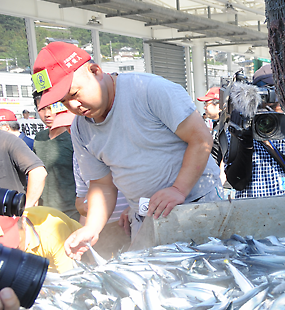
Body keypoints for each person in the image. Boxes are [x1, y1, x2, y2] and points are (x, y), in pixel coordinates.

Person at [31, 42, 221, 258]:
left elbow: (200, 139)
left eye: (74, 93)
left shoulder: (149, 90)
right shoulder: (81, 129)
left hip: (196, 205)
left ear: (95, 72)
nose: (74, 106)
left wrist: (178, 189)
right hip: (146, 214)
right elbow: (102, 184)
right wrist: (92, 228)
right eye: (64, 101)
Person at [220, 72, 285, 198]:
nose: (277, 98)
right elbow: (238, 183)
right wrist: (245, 142)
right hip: (256, 212)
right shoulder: (241, 127)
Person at [33, 95, 79, 220]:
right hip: (42, 213)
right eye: (42, 109)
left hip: (71, 214)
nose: (47, 114)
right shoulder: (39, 138)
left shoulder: (75, 137)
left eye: (51, 108)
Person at [0, 207, 82, 273]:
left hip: (78, 257)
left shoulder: (52, 234)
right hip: (40, 269)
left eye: (15, 245)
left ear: (23, 223)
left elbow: (70, 279)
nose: (11, 252)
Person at [0, 111, 47, 208]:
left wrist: (26, 206)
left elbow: (38, 172)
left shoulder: (8, 140)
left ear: (6, 127)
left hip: (10, 213)